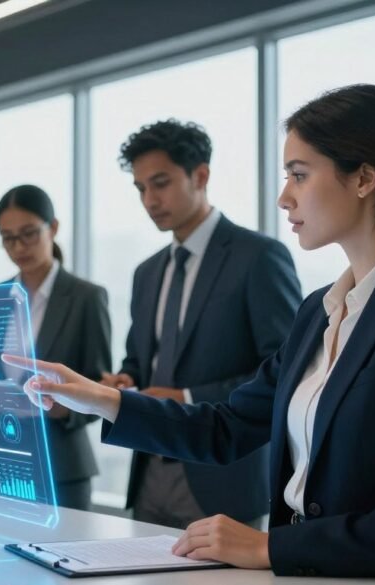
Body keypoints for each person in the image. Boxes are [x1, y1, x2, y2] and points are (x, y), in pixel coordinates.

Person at [3, 84, 375, 585]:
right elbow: (225, 427)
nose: (283, 197)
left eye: (299, 175)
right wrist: (101, 399)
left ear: (364, 178)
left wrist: (269, 546)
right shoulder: (322, 310)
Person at [102, 120, 300, 528]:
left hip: (223, 477)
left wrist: (188, 395)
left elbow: (287, 369)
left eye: (160, 183)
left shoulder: (259, 257)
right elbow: (140, 358)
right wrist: (124, 378)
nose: (150, 199)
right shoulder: (147, 272)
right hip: (149, 470)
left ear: (201, 175)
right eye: (140, 188)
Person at [0, 185, 111, 510]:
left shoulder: (86, 298)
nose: (19, 247)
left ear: (54, 228)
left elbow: (99, 386)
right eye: (7, 238)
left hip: (59, 465)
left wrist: (62, 406)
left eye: (29, 234)